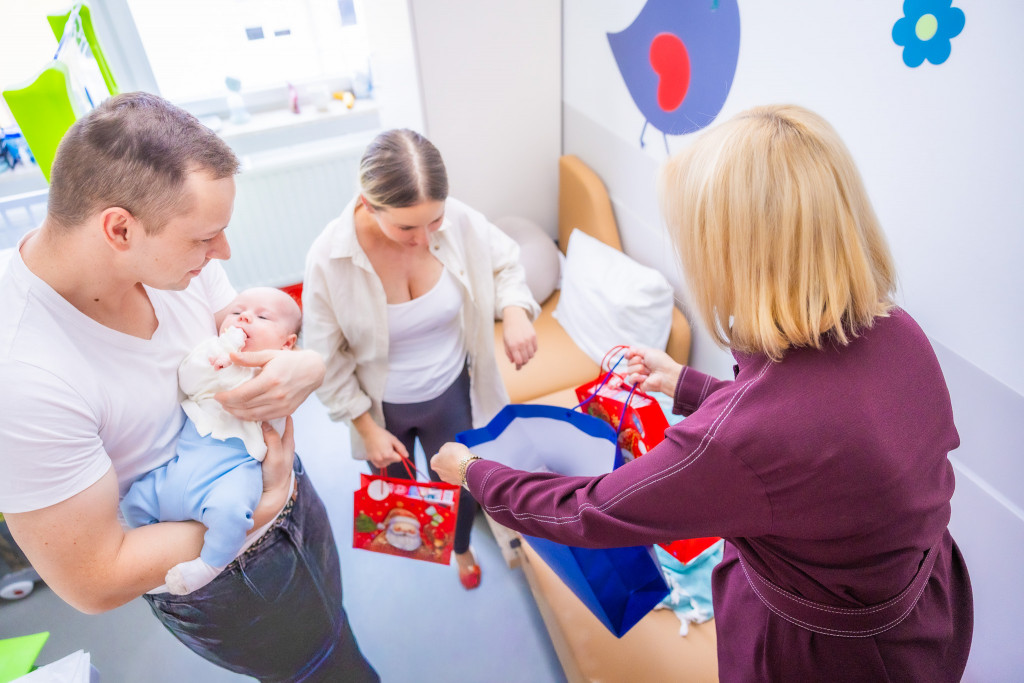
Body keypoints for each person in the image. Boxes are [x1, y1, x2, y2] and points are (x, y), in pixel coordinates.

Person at [432, 105, 973, 681]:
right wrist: (686, 383)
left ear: (736, 258)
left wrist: (474, 473)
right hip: (926, 612)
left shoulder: (745, 438)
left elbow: (592, 510)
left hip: (824, 657)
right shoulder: (899, 334)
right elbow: (818, 449)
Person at [0, 92, 378, 682]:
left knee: (338, 638)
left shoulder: (170, 261)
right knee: (317, 670)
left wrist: (307, 364)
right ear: (119, 229)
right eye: (205, 238)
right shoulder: (24, 376)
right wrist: (256, 509)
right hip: (230, 576)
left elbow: (245, 333)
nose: (222, 252)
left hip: (287, 498)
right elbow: (94, 579)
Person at [302, 128, 540, 589]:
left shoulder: (459, 221)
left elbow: (506, 262)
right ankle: (425, 542)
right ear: (368, 205)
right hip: (381, 409)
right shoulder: (328, 259)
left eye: (435, 220)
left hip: (451, 391)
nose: (424, 238)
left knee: (460, 484)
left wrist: (514, 312)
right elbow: (325, 357)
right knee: (398, 492)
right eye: (406, 227)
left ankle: (461, 547)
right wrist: (366, 429)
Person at [121, 286, 304, 596]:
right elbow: (189, 380)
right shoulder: (209, 351)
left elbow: (276, 400)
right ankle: (157, 536)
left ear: (286, 344)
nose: (244, 317)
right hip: (185, 461)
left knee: (232, 512)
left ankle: (209, 565)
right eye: (237, 311)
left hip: (235, 469)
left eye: (262, 317)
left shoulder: (275, 371)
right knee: (134, 501)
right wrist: (213, 360)